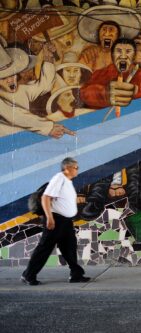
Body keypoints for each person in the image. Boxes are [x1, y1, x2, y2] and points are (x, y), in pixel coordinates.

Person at [21, 157, 91, 285]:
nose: (78, 170)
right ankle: (28, 275)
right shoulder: (59, 178)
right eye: (76, 167)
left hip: (66, 221)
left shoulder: (67, 181)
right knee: (44, 248)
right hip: (56, 220)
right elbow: (46, 198)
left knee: (70, 247)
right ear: (67, 168)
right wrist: (50, 218)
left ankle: (76, 274)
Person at [0, 44, 73, 138]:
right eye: (3, 78)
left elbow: (44, 86)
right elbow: (15, 116)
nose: (10, 80)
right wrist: (49, 127)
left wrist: (47, 59)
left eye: (12, 74)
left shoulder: (20, 90)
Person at [80, 38, 141, 109]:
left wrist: (130, 94)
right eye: (119, 51)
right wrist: (105, 94)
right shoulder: (103, 73)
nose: (123, 56)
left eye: (128, 51)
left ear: (134, 56)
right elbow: (83, 93)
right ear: (112, 55)